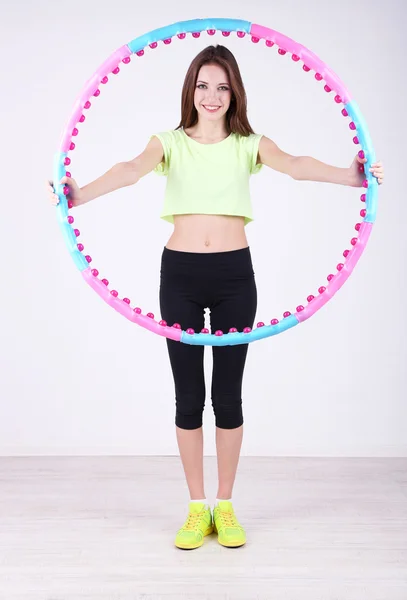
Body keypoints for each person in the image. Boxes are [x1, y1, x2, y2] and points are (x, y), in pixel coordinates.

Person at [47, 44, 384, 551]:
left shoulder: (248, 143)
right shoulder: (168, 142)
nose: (211, 96)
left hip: (233, 278)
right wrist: (77, 193)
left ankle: (224, 506)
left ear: (234, 93)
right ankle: (194, 508)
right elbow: (129, 169)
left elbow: (294, 164)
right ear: (191, 90)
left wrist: (352, 176)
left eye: (222, 87)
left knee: (227, 398)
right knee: (188, 399)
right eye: (203, 85)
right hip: (179, 275)